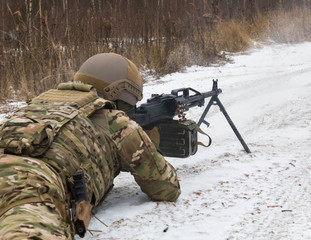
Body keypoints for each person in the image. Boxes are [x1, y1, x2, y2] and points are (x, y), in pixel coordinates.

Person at [0, 53, 181, 239]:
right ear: (121, 94)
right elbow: (167, 188)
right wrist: (145, 143)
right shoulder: (117, 122)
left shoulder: (36, 106)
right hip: (31, 186)